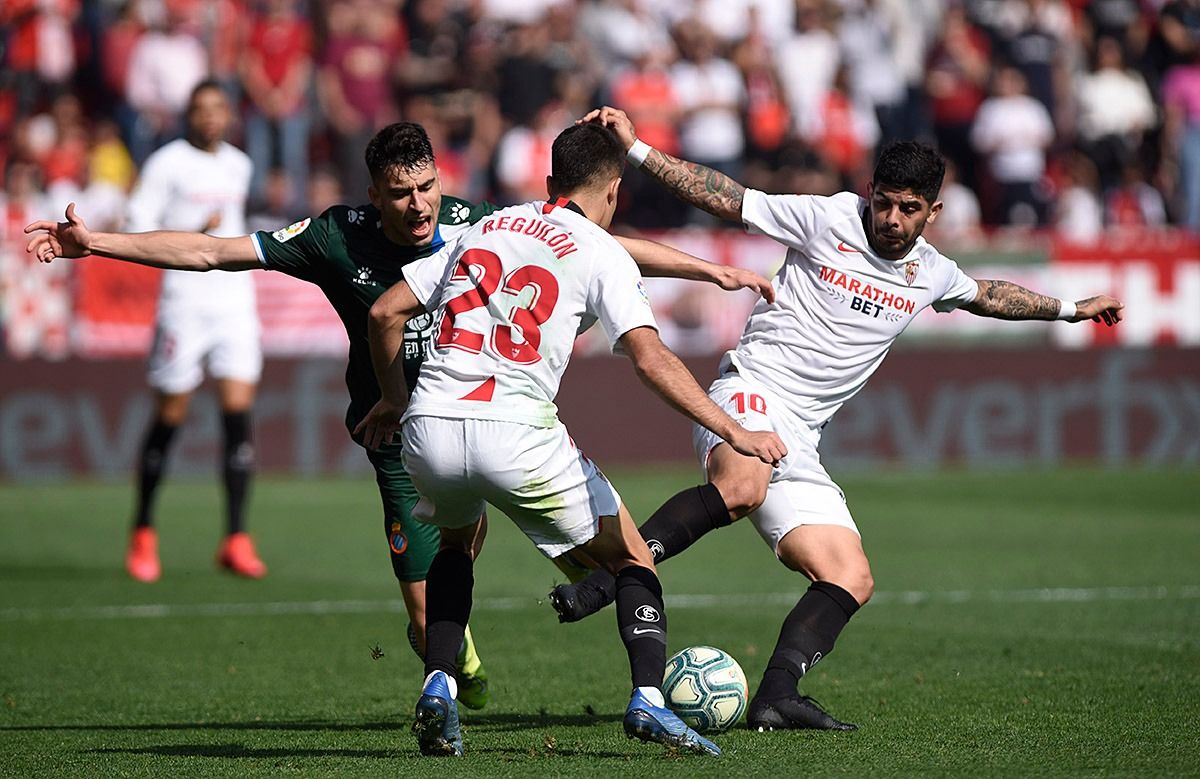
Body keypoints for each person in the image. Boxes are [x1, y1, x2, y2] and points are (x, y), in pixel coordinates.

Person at [26, 122, 775, 714]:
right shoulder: (333, 236)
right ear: (373, 193)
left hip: (465, 415)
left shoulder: (473, 221)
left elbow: (594, 243)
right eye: (400, 192)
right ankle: (470, 665)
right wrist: (98, 244)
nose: (418, 206)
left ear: (439, 181)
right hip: (402, 433)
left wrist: (703, 265)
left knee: (604, 564)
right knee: (433, 619)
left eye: (425, 187)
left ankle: (598, 630)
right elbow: (213, 252)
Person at [549, 106, 1125, 732]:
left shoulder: (929, 270)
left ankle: (775, 696)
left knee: (850, 575)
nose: (891, 219)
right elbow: (727, 196)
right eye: (884, 203)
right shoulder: (828, 217)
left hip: (802, 439)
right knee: (741, 485)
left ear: (932, 212)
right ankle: (611, 582)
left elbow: (988, 295)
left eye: (908, 209)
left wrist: (1071, 309)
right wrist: (637, 152)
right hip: (752, 391)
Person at [354, 122, 786, 758]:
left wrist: (393, 398)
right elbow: (648, 356)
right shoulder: (601, 250)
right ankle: (648, 700)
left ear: (551, 183)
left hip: (431, 425)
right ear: (613, 192)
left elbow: (384, 314)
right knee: (633, 557)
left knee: (454, 543)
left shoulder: (486, 227)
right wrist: (733, 429)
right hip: (516, 431)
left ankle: (439, 685)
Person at [122, 79, 264, 583]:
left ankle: (237, 537)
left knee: (237, 413)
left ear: (227, 114)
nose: (209, 117)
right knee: (173, 412)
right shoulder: (167, 163)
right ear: (188, 114)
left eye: (217, 108)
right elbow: (136, 221)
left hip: (233, 302)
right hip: (183, 303)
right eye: (200, 109)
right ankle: (142, 531)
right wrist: (190, 223)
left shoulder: (239, 164)